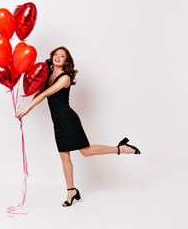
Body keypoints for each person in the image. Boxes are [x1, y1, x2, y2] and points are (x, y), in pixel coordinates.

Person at [15, 46, 141, 207]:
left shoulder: (65, 77)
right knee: (64, 156)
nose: (58, 57)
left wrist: (28, 108)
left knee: (85, 152)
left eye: (62, 56)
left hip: (68, 119)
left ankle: (121, 148)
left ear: (66, 61)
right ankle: (71, 191)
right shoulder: (47, 75)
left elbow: (47, 93)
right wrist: (25, 102)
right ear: (52, 56)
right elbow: (40, 92)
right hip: (58, 122)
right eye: (56, 54)